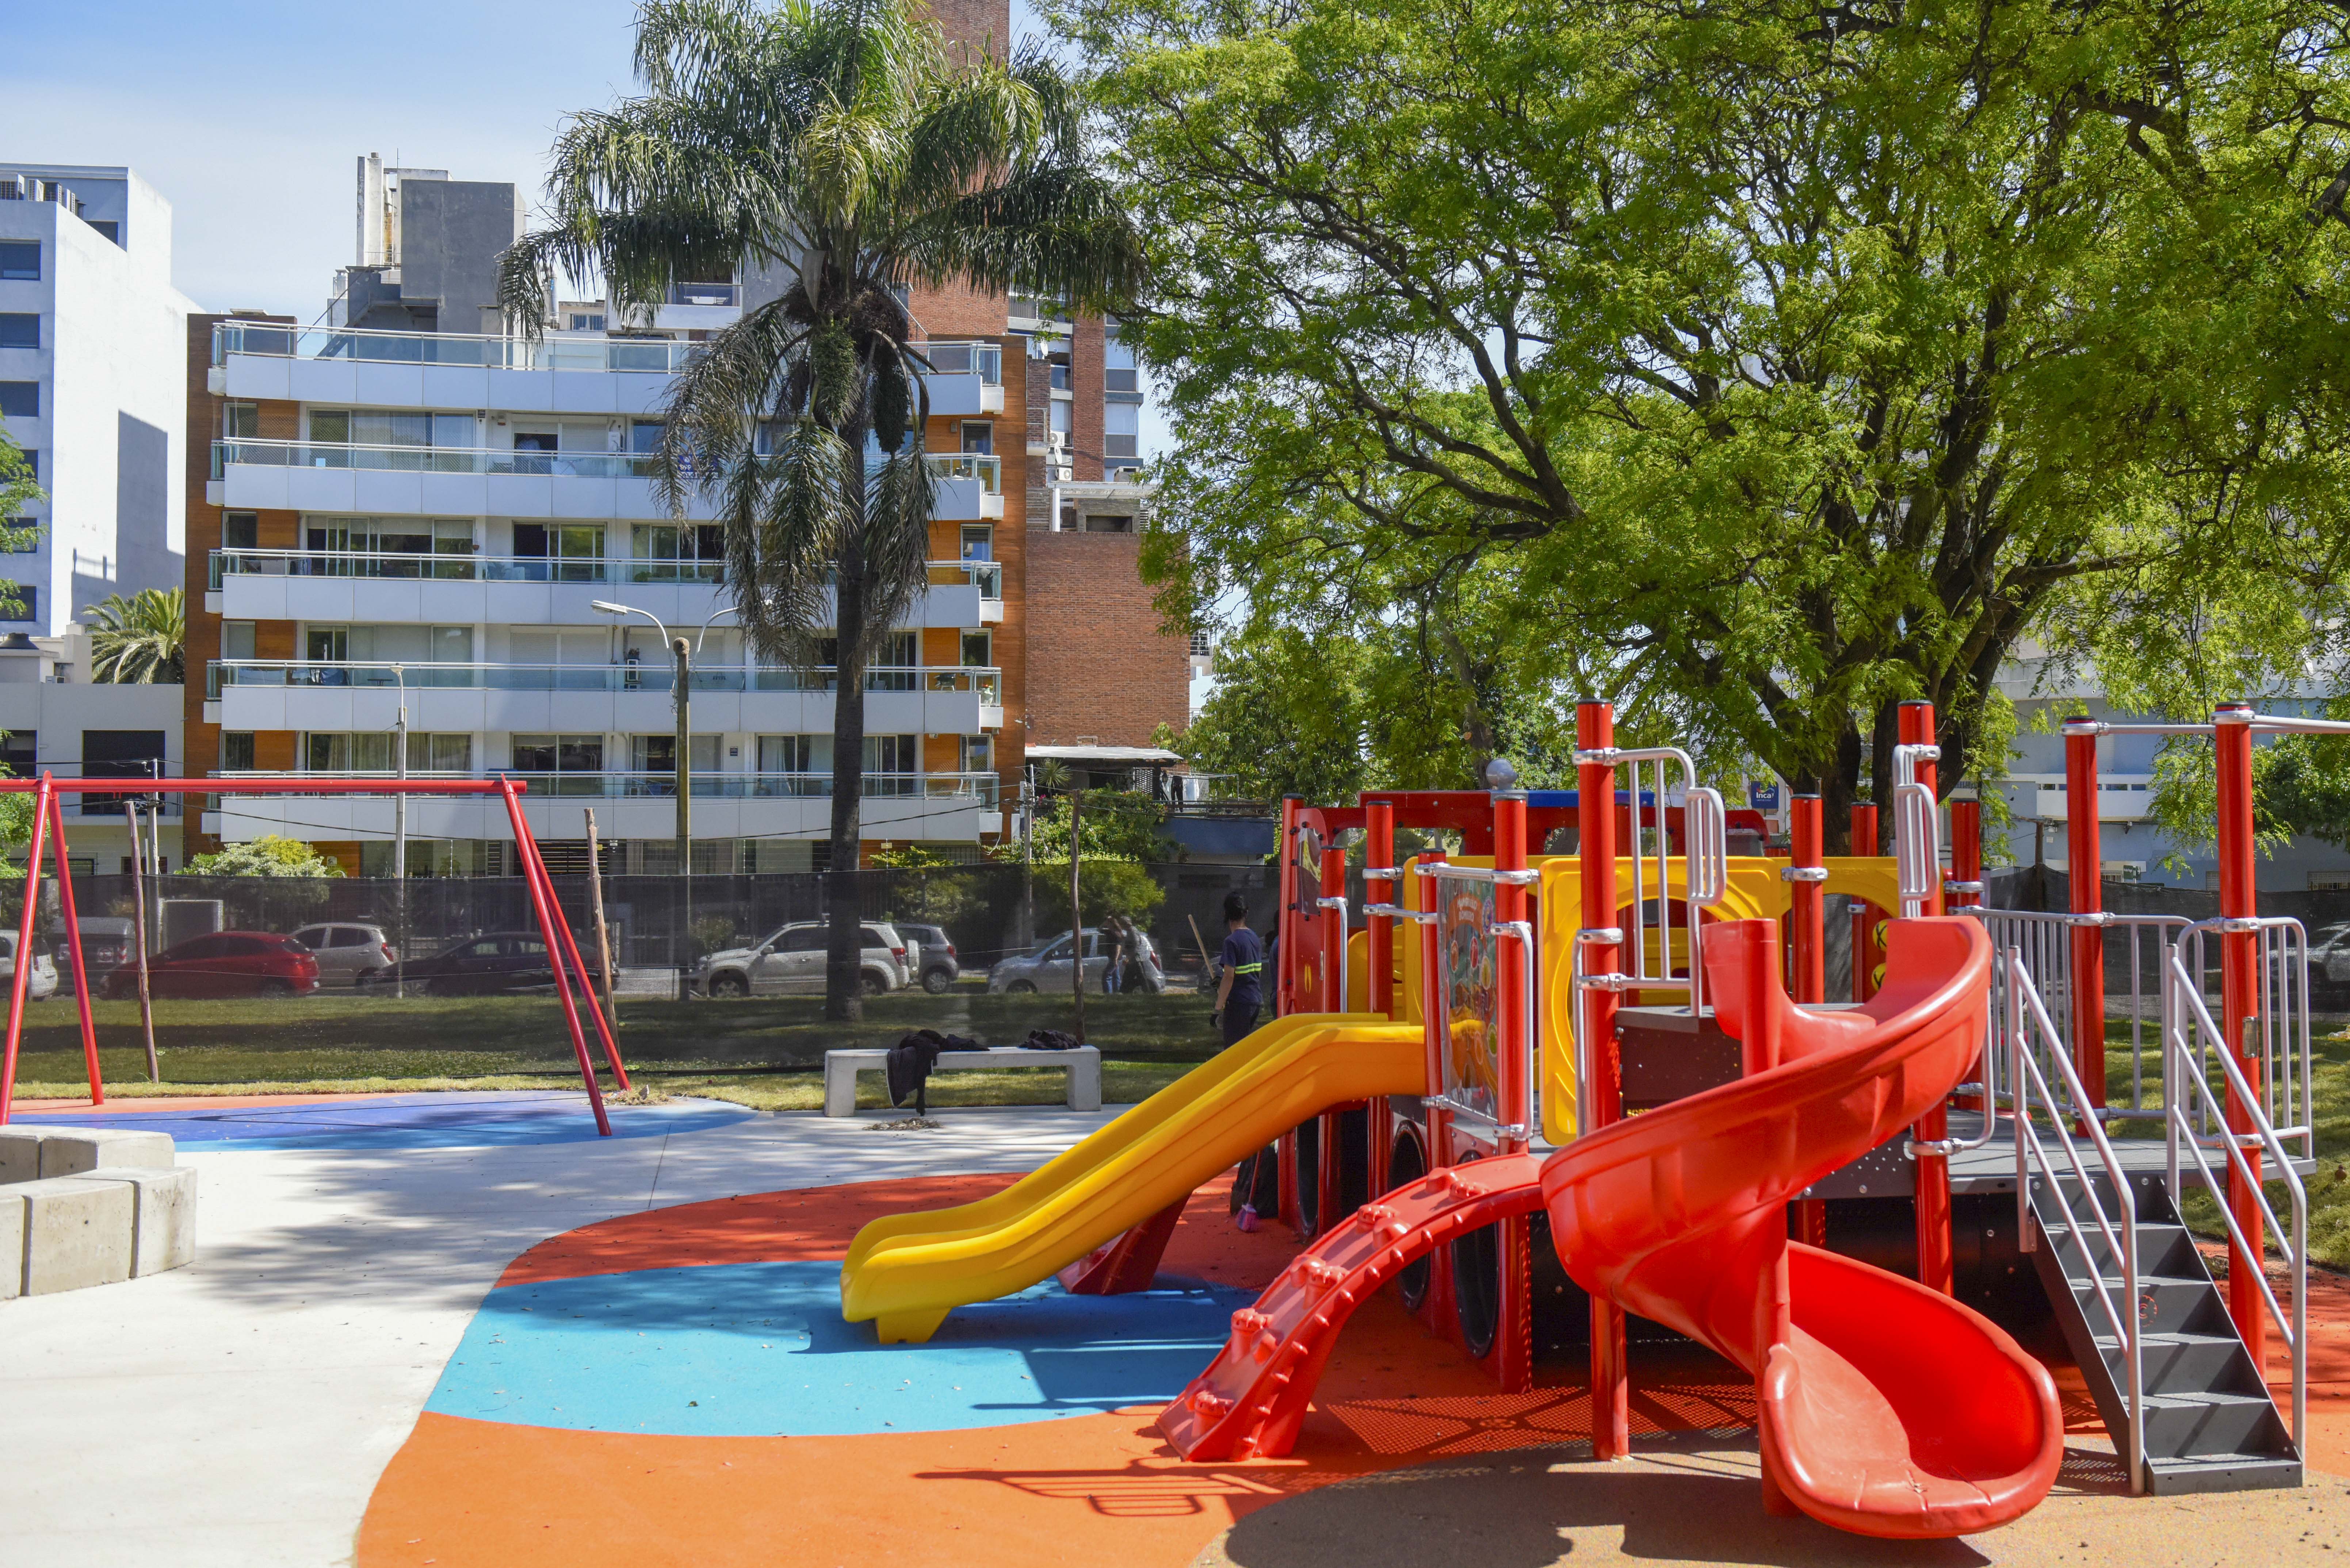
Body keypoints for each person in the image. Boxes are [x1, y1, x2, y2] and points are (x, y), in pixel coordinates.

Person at [1211, 893, 1264, 1048]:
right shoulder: (1254, 938)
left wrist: (1217, 1009)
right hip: (1255, 1002)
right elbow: (1250, 974)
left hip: (1239, 1006)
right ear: (1245, 913)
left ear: (1226, 915)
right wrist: (1221, 986)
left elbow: (1229, 977)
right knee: (1244, 1050)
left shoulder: (1231, 942)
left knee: (1234, 1052)